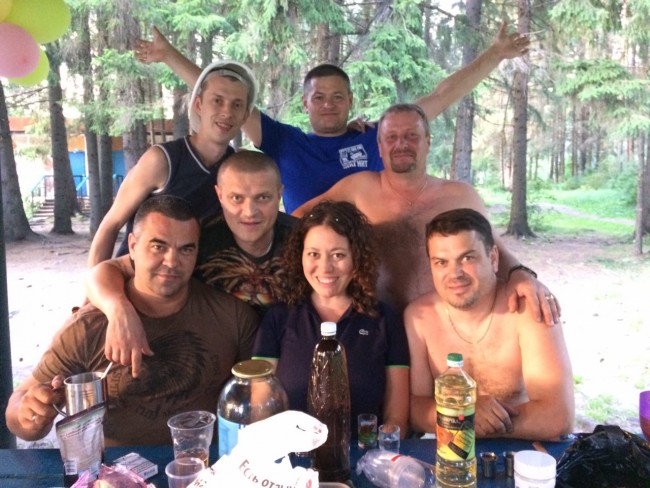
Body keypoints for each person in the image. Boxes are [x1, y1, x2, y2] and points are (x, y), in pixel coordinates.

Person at [134, 22, 530, 213]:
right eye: (319, 97)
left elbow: (442, 96)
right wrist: (170, 57)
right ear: (305, 103)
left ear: (350, 101)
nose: (328, 104)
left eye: (337, 97)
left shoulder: (378, 137)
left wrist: (495, 54)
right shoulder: (284, 141)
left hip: (372, 255)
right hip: (309, 257)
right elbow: (225, 98)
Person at [6, 195, 259, 445]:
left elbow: (256, 398)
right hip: (114, 467)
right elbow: (17, 413)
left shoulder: (233, 317)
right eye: (158, 246)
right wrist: (32, 413)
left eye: (186, 249)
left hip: (205, 463)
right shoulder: (88, 327)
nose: (172, 262)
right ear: (133, 246)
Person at [293, 103, 560, 324]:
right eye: (391, 137)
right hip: (377, 324)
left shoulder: (459, 195)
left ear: (428, 142)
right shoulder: (359, 187)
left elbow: (494, 248)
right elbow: (301, 217)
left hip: (442, 325)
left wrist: (521, 274)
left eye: (411, 136)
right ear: (380, 145)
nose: (401, 144)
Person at [85, 151, 296, 375]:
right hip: (211, 359)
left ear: (279, 194)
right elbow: (105, 271)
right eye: (237, 198)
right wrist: (119, 310)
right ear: (220, 195)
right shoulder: (195, 240)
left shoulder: (303, 239)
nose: (250, 211)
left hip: (289, 360)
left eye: (263, 198)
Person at [404, 208, 574, 440]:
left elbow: (557, 417)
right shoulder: (418, 317)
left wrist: (465, 421)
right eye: (441, 262)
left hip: (521, 450)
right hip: (451, 452)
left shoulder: (528, 308)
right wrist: (465, 417)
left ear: (493, 258)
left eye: (467, 258)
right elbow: (414, 409)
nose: (455, 274)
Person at [252, 201, 410, 438]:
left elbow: (397, 418)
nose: (325, 267)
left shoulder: (385, 320)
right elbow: (260, 409)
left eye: (338, 255)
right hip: (292, 455)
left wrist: (381, 448)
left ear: (357, 258)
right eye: (313, 254)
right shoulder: (278, 318)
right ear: (300, 256)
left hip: (364, 455)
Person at [86, 59, 258, 266]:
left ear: (245, 116)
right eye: (217, 101)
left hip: (191, 281)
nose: (227, 112)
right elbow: (110, 225)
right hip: (139, 278)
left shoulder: (236, 170)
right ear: (199, 105)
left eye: (237, 105)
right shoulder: (162, 160)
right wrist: (95, 284)